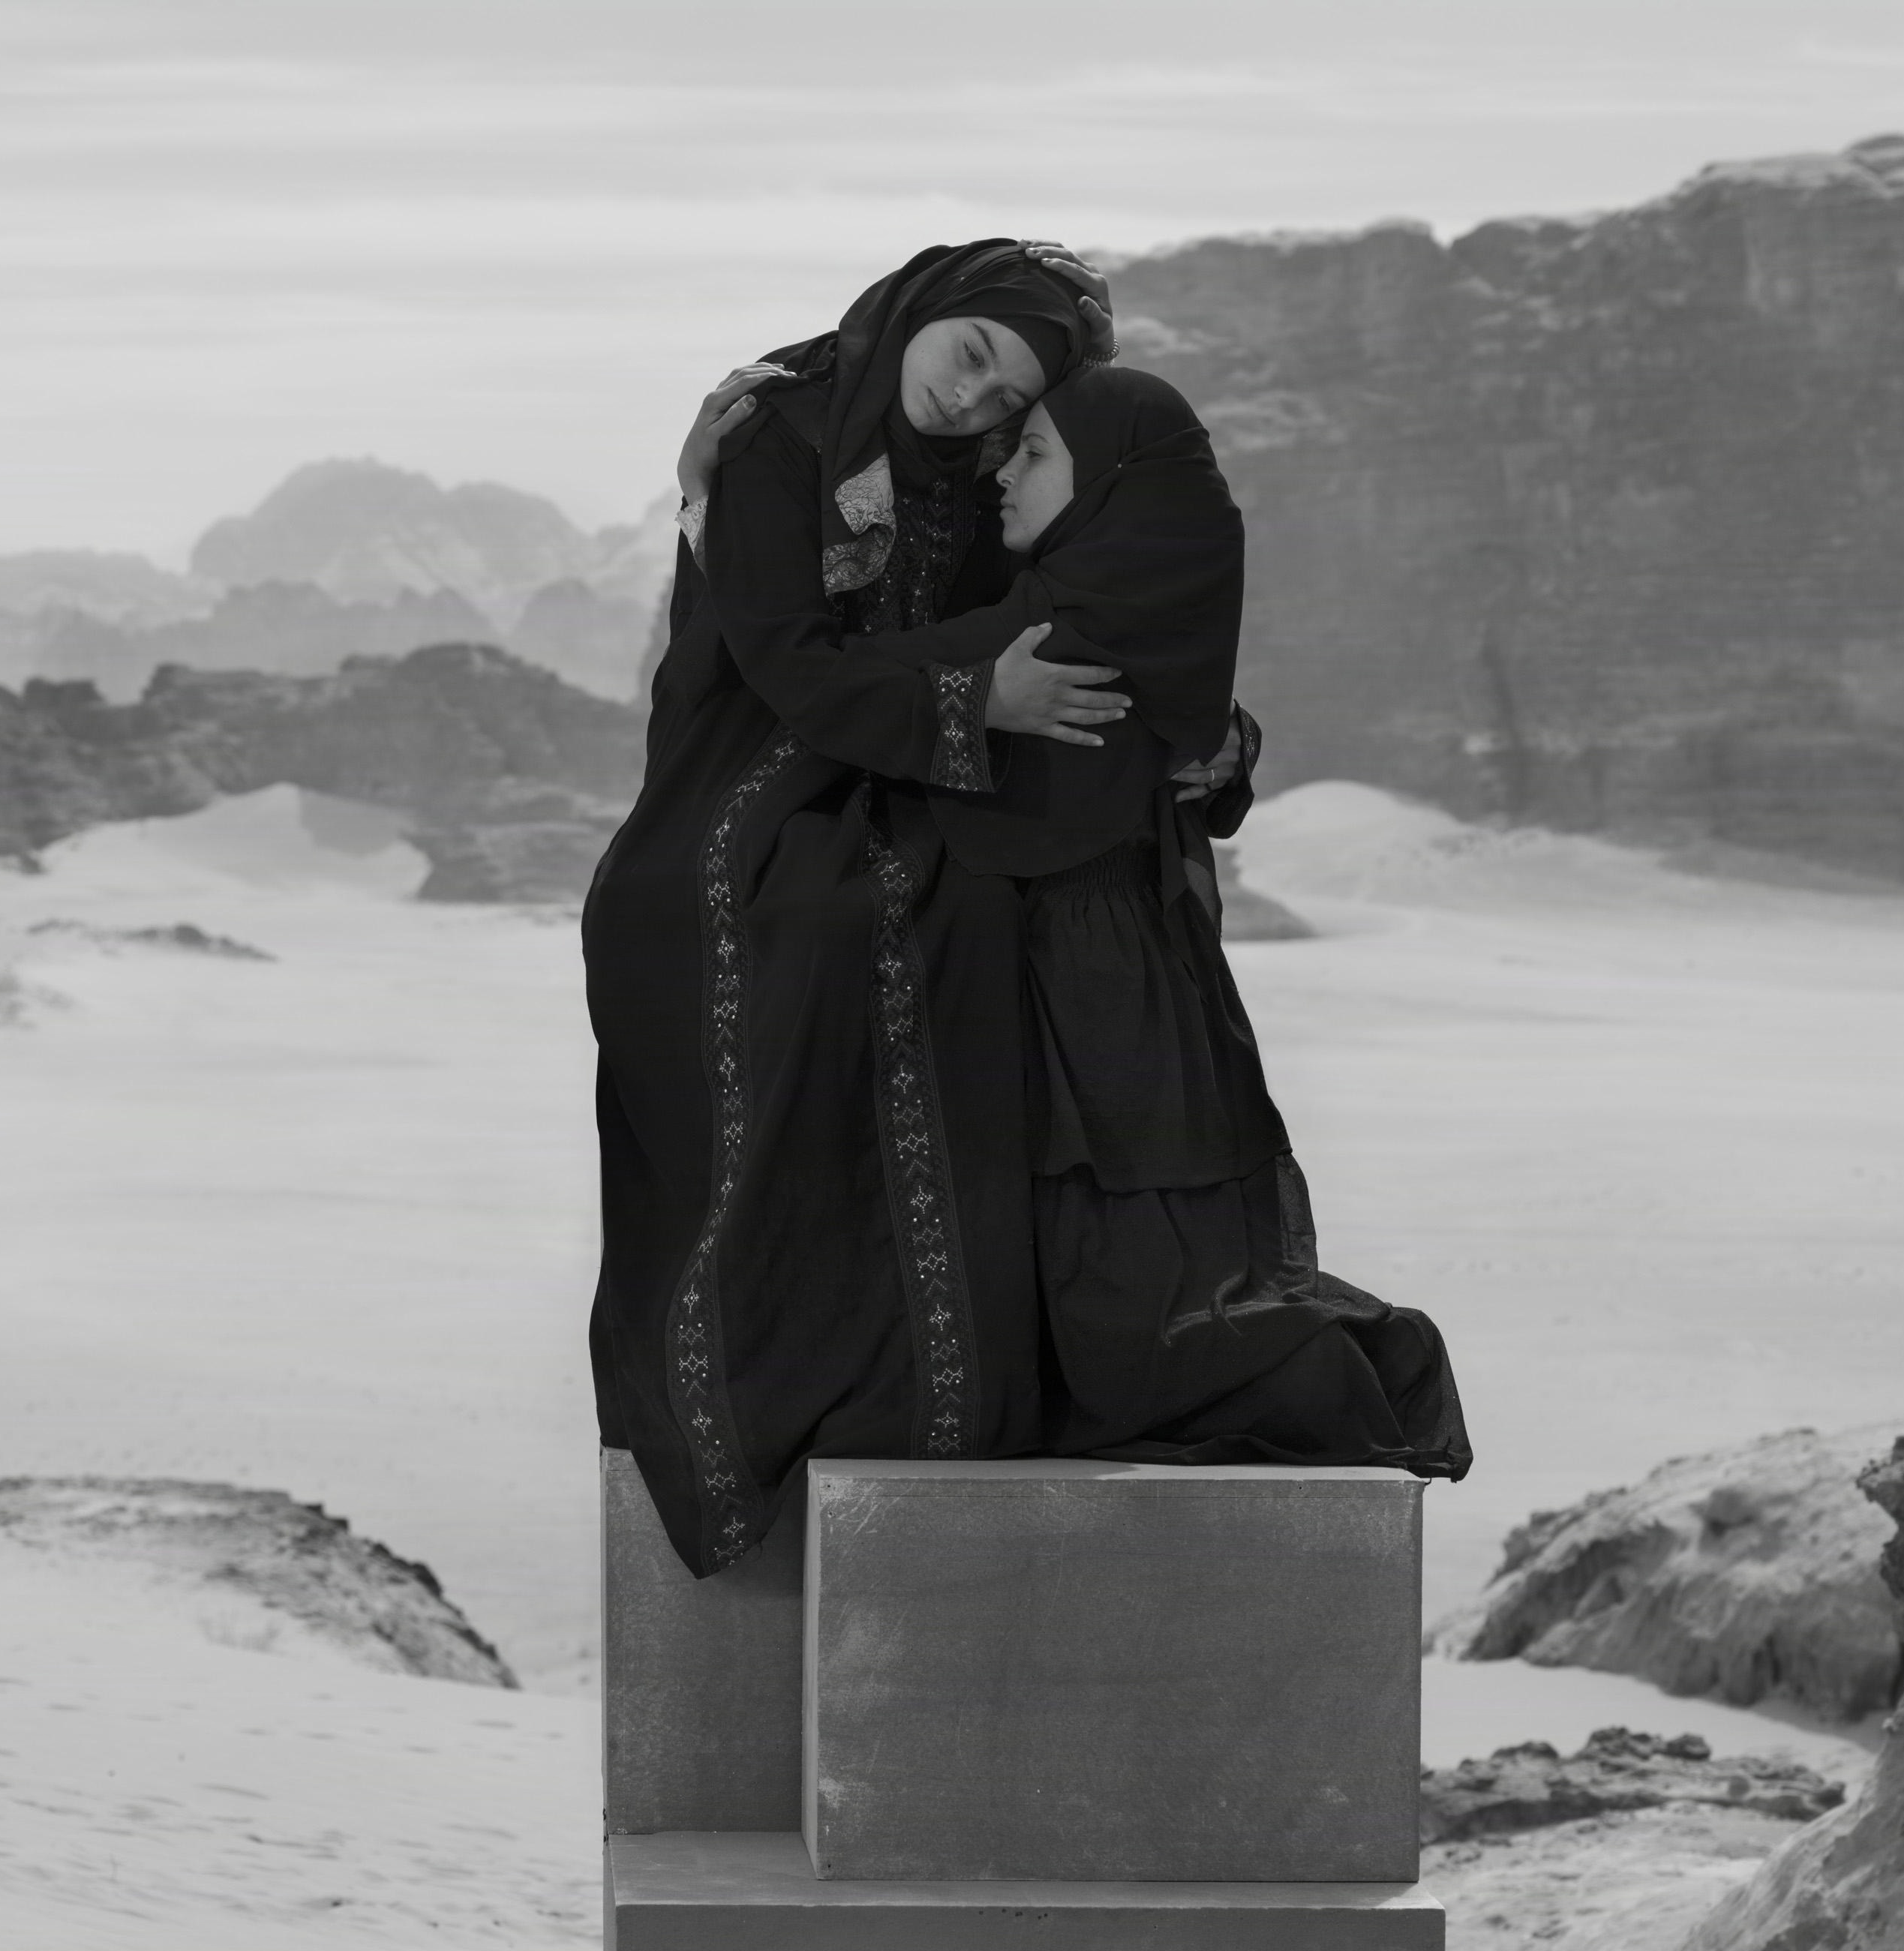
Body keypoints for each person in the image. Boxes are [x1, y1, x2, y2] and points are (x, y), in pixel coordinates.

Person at [585, 245, 1464, 1579]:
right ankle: (837, 1378)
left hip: (928, 774)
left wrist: (1205, 742)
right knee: (836, 938)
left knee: (993, 941)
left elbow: (1108, 619)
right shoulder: (778, 436)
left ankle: (982, 1364)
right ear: (925, 312)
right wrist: (975, 705)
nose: (976, 406)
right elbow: (784, 664)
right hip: (763, 774)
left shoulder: (992, 474)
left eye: (1018, 403)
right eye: (974, 353)